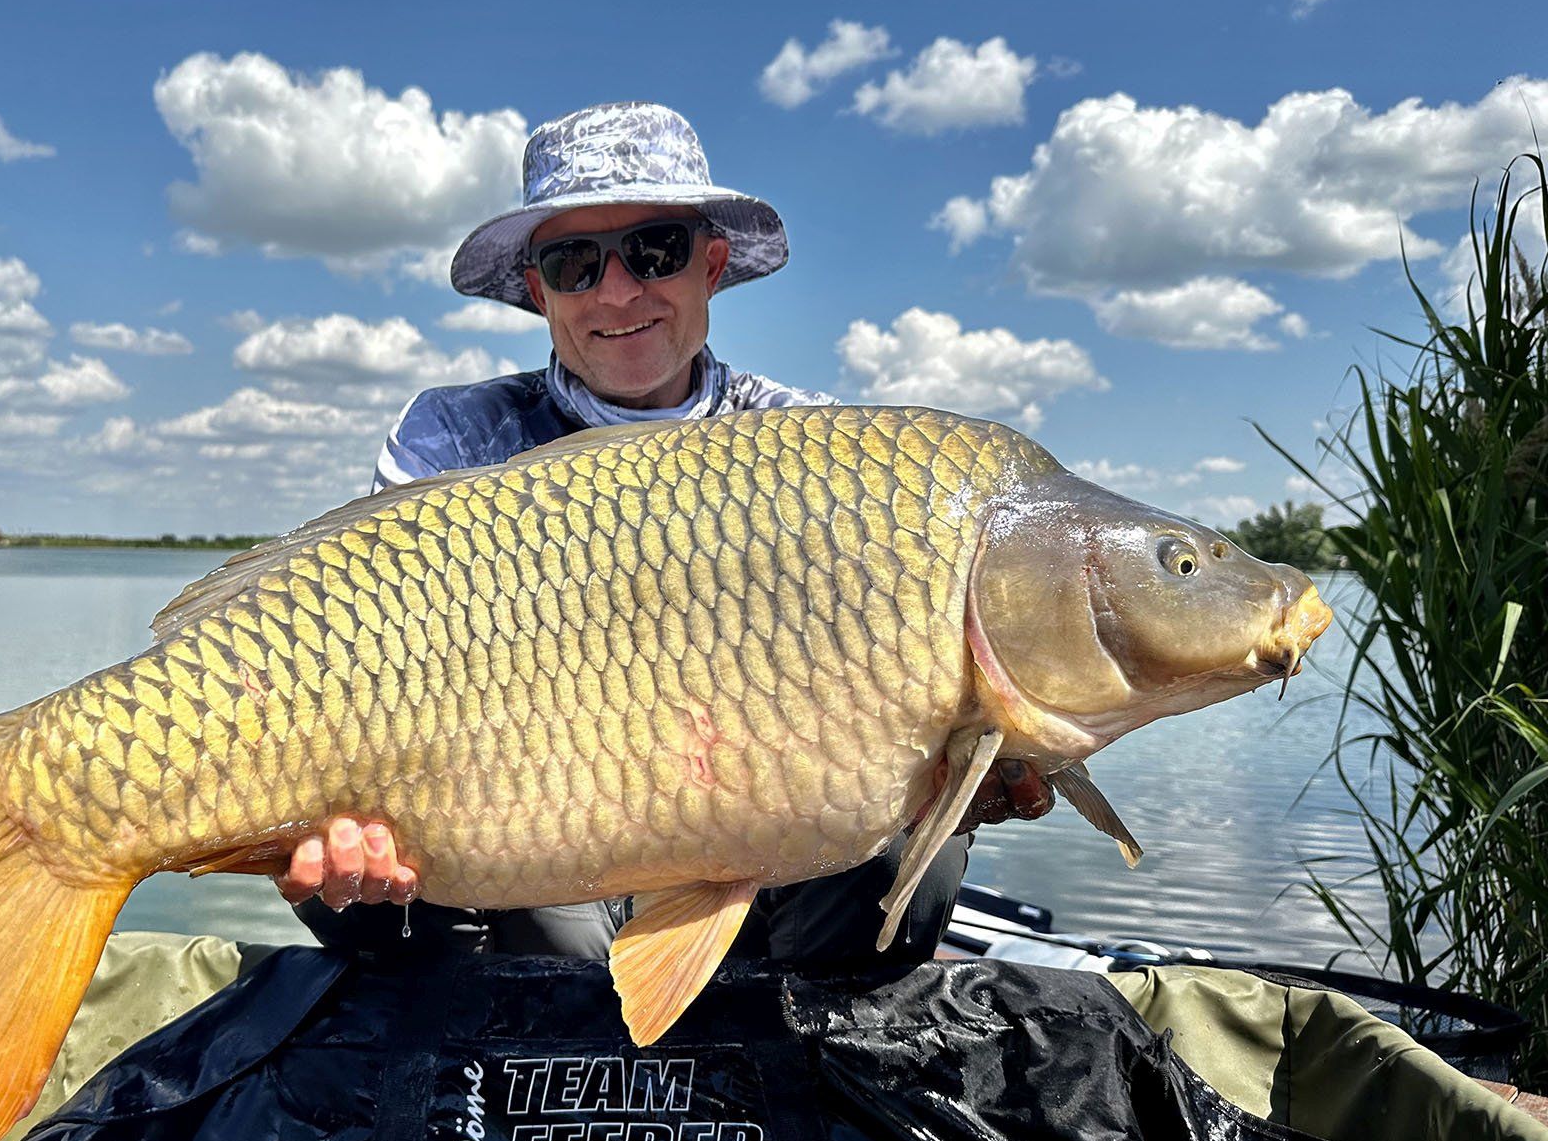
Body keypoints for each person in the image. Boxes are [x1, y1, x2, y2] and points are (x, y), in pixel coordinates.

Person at [273, 101, 1053, 964]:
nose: (616, 292)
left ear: (710, 266)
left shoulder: (819, 445)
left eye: (654, 251)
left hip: (772, 837)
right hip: (531, 819)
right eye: (574, 262)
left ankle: (785, 1053)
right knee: (520, 935)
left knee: (919, 848)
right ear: (537, 290)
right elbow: (363, 664)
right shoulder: (454, 441)